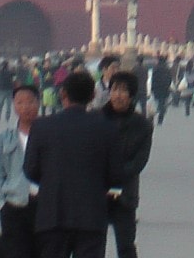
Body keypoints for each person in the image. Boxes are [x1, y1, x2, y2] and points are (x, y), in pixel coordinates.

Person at [25, 70, 123, 258]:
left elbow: (30, 170)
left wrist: (50, 180)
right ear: (93, 95)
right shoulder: (107, 127)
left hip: (52, 213)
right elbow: (116, 175)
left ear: (62, 94)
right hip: (92, 214)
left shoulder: (42, 126)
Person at [102, 72, 154, 258]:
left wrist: (116, 177)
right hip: (96, 192)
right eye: (115, 89)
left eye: (123, 90)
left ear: (131, 94)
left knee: (126, 245)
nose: (118, 95)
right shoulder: (95, 119)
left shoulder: (142, 125)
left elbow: (140, 160)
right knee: (92, 245)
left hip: (125, 193)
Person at [0, 86, 41, 258]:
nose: (25, 107)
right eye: (20, 102)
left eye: (30, 102)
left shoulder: (49, 135)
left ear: (38, 103)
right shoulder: (5, 138)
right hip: (13, 207)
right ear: (14, 105)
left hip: (44, 207)